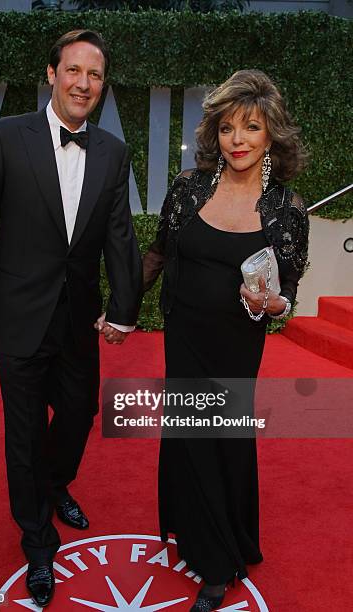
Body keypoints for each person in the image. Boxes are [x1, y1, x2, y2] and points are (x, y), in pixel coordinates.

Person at [0, 29, 142, 607]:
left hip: (77, 317)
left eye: (95, 74)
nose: (84, 83)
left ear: (102, 86)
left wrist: (124, 309)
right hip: (17, 316)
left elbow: (119, 237)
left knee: (82, 409)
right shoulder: (5, 137)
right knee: (25, 432)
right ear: (52, 74)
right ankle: (37, 542)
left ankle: (54, 485)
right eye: (74, 70)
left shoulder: (112, 151)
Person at [143, 69, 309, 611]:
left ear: (271, 137)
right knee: (192, 439)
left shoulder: (286, 210)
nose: (238, 140)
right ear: (214, 134)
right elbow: (158, 254)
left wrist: (271, 304)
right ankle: (210, 553)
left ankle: (223, 551)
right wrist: (116, 308)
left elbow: (288, 296)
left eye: (252, 127)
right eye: (229, 128)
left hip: (238, 344)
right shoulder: (189, 188)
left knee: (224, 441)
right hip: (184, 336)